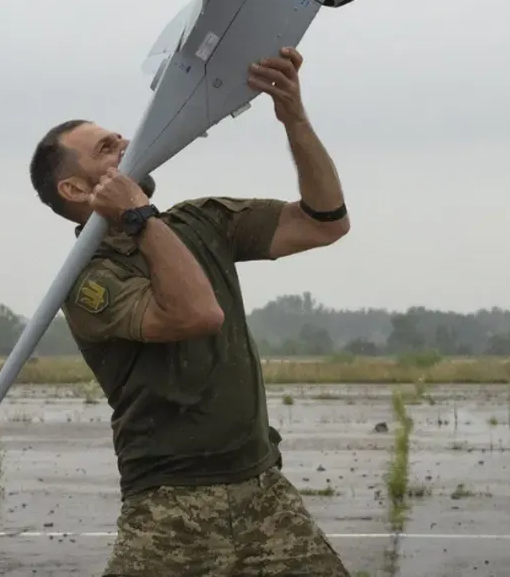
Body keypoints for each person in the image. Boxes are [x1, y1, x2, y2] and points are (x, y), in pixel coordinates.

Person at [28, 47, 354, 577]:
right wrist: (138, 217)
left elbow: (325, 222)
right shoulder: (87, 280)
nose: (128, 145)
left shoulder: (200, 222)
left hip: (263, 490)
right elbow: (197, 314)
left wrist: (293, 116)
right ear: (76, 189)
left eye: (121, 137)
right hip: (170, 507)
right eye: (108, 149)